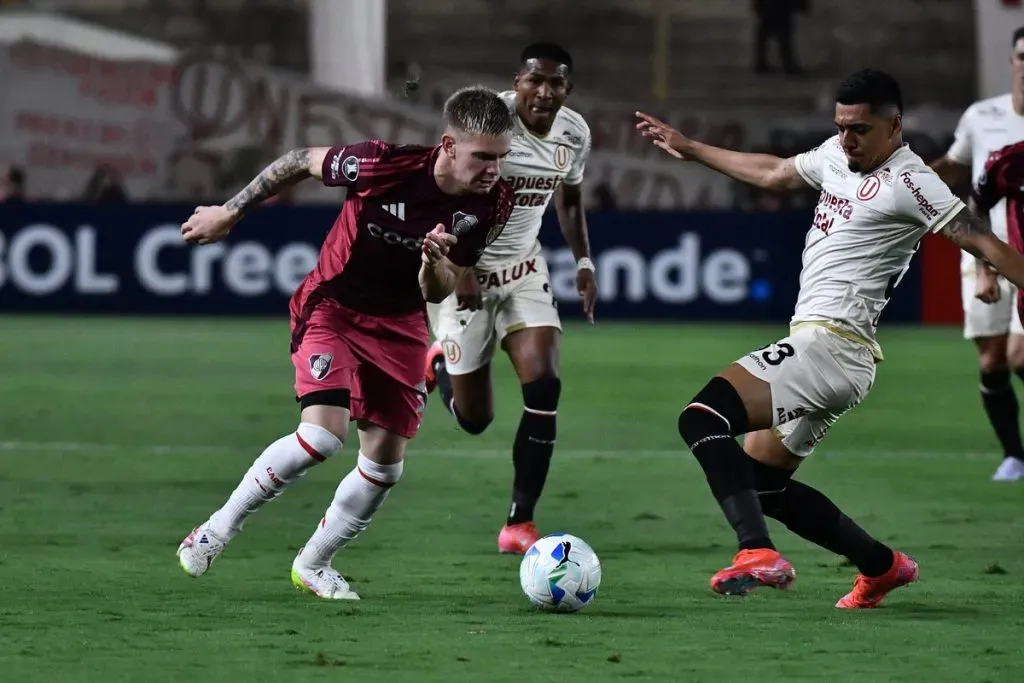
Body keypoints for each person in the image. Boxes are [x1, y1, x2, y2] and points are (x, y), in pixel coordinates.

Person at [636, 68, 1024, 608]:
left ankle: (756, 552)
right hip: (834, 352)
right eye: (841, 127)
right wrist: (691, 147)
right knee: (763, 485)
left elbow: (981, 240)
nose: (847, 139)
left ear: (895, 127)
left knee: (701, 417)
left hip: (830, 347)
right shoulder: (837, 157)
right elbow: (774, 172)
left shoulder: (912, 181)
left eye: (860, 129)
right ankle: (882, 567)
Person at [175, 86, 516, 600]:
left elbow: (441, 286)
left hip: (401, 323)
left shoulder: (494, 202)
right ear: (448, 145)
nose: (493, 168)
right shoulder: (383, 165)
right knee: (323, 437)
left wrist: (431, 264)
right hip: (333, 306)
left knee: (384, 465)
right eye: (483, 156)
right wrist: (231, 211)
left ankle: (314, 563)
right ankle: (216, 530)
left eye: (501, 157)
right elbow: (298, 160)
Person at [424, 43, 597, 555]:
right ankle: (436, 364)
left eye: (555, 83)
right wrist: (462, 269)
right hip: (465, 270)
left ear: (568, 89)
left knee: (544, 386)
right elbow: (443, 192)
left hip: (525, 271)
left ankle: (519, 523)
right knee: (475, 420)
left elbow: (569, 197)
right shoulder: (488, 121)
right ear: (516, 81)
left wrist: (584, 263)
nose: (544, 92)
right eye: (534, 81)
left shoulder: (575, 133)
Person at [930, 26, 1024, 482]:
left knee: (1021, 355)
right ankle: (1015, 455)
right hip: (983, 245)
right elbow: (957, 167)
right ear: (1012, 61)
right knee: (992, 361)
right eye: (1023, 56)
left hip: (1022, 258)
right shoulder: (983, 116)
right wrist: (908, 180)